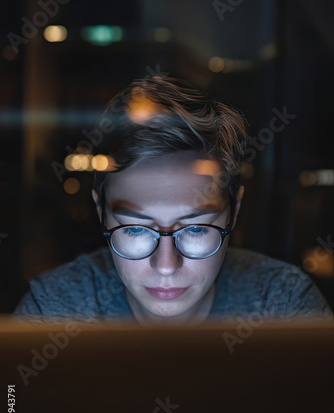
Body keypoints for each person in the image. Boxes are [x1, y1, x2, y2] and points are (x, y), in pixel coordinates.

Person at [15, 76, 332, 323]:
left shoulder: (285, 306)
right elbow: (10, 408)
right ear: (101, 210)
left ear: (234, 210)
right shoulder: (54, 312)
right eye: (136, 230)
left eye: (195, 229)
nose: (166, 266)